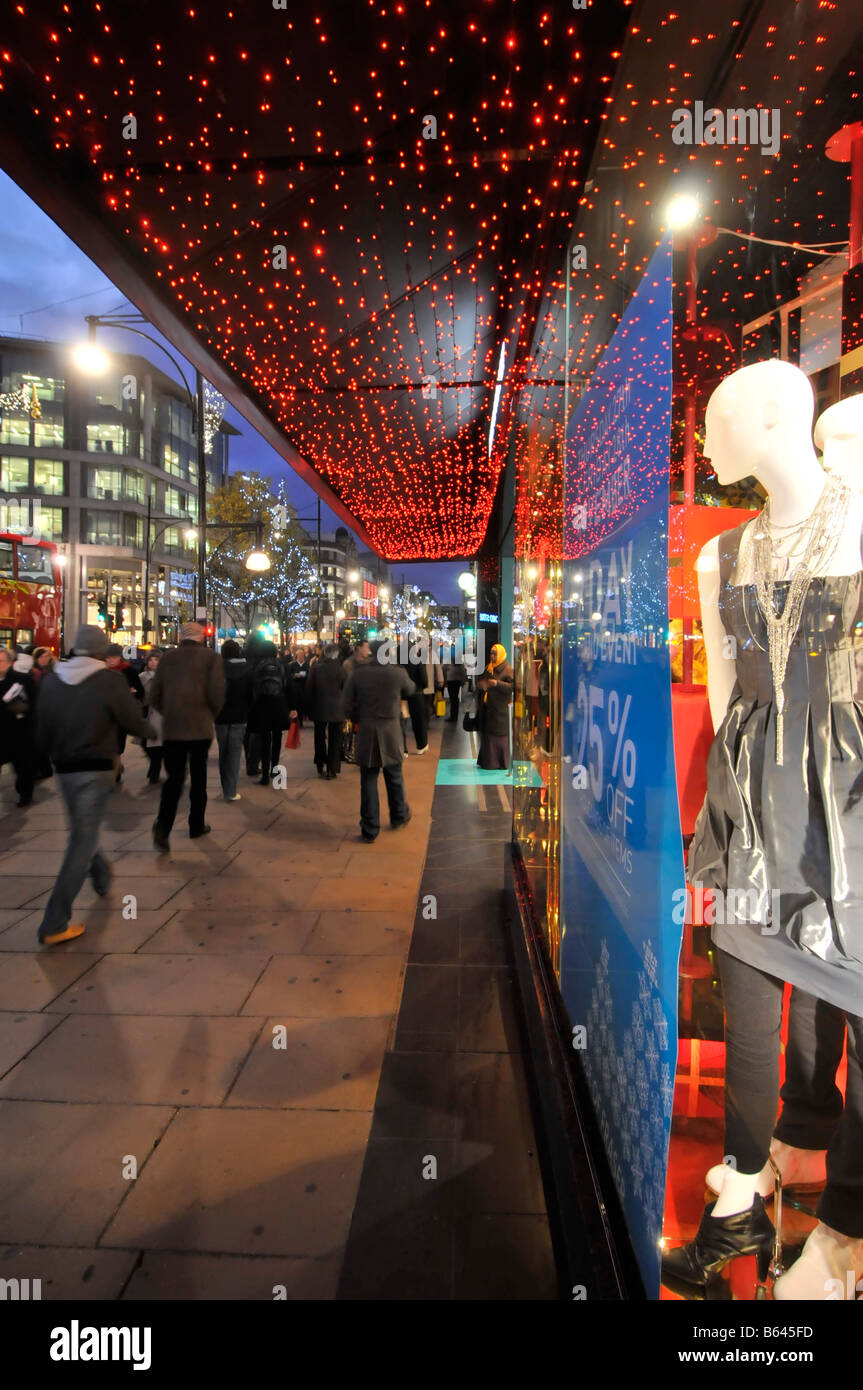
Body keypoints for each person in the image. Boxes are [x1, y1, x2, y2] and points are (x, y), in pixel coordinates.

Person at [33, 624, 154, 945]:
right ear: (102, 651)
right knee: (80, 843)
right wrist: (151, 731)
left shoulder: (52, 679)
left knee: (81, 832)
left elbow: (41, 726)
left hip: (64, 768)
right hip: (97, 767)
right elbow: (130, 720)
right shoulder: (109, 681)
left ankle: (101, 875)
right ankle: (54, 923)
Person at [149, 621, 226, 852]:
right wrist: (209, 714)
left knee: (174, 778)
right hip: (200, 727)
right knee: (199, 777)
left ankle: (163, 828)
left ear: (181, 637)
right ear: (201, 637)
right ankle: (196, 823)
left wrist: (170, 711)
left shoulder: (168, 658)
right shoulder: (211, 658)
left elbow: (155, 695)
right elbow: (217, 693)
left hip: (173, 727)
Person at [344, 642, 414, 842]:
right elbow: (411, 689)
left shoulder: (358, 674)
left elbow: (345, 703)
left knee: (368, 780)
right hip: (391, 731)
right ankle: (399, 815)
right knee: (394, 775)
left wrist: (358, 716)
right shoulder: (397, 673)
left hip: (367, 731)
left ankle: (369, 827)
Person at [248, 640, 298, 786]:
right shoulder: (282, 665)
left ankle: (264, 775)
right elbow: (290, 687)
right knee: (277, 737)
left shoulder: (257, 665)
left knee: (265, 739)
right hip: (279, 704)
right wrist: (292, 707)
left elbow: (253, 687)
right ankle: (274, 769)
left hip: (262, 705)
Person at [215, 639, 252, 800]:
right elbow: (251, 694)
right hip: (239, 716)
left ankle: (226, 787)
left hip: (221, 715)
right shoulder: (247, 668)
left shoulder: (216, 668)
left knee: (223, 752)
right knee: (235, 753)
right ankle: (230, 790)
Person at [0, 645, 37, 806]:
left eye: (0, 661)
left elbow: (35, 702)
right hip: (1, 731)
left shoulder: (23, 679)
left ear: (9, 662)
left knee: (22, 766)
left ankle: (25, 794)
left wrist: (24, 707)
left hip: (19, 731)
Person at [305, 642, 345, 779]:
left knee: (319, 737)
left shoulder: (316, 668)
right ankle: (332, 768)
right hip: (337, 709)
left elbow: (309, 689)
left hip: (319, 707)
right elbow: (346, 689)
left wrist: (308, 707)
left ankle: (320, 763)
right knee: (335, 739)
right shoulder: (341, 670)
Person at [475, 643, 514, 770]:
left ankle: (499, 762)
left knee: (498, 736)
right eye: (491, 653)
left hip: (500, 709)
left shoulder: (508, 670)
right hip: (488, 708)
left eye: (495, 653)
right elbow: (483, 682)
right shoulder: (489, 668)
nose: (492, 656)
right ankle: (488, 761)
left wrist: (497, 683)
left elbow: (512, 688)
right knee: (488, 736)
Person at [139, 649, 165, 784]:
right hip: (146, 715)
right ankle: (155, 765)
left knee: (157, 744)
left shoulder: (165, 676)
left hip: (160, 715)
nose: (153, 662)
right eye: (151, 660)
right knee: (145, 744)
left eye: (156, 660)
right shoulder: (142, 677)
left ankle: (154, 769)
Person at [287, 646, 310, 725]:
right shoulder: (292, 665)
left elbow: (309, 675)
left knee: (301, 705)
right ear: (296, 656)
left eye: (302, 655)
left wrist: (305, 676)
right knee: (295, 705)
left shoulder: (307, 665)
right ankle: (295, 721)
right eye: (299, 655)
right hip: (295, 688)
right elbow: (289, 675)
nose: (301, 657)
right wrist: (294, 675)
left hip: (303, 687)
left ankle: (301, 721)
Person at [443, 653, 466, 723]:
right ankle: (454, 716)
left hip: (451, 682)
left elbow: (444, 670)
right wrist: (463, 681)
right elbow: (463, 673)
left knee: (453, 699)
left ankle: (453, 717)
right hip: (456, 682)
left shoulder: (449, 663)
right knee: (454, 699)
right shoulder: (460, 664)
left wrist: (445, 681)